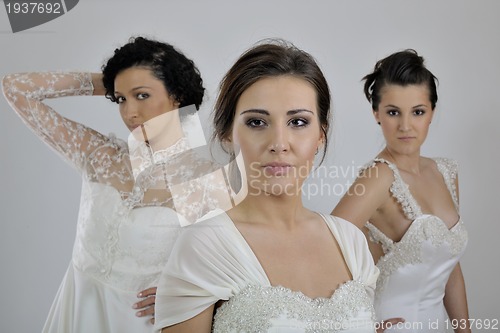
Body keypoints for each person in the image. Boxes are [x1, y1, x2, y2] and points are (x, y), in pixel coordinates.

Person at [2, 36, 233, 333]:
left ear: (176, 95)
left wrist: (197, 295)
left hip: (141, 323)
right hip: (73, 314)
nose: (129, 112)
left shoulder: (208, 179)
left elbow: (239, 266)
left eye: (142, 96)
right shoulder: (99, 155)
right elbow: (15, 88)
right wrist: (109, 81)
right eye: (121, 99)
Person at [154, 40, 379, 333]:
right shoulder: (204, 246)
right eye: (257, 122)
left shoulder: (352, 244)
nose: (279, 144)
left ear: (321, 134)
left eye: (298, 122)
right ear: (226, 133)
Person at [332, 49, 470, 332]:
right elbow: (324, 249)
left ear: (432, 112)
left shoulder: (446, 172)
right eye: (393, 112)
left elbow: (450, 265)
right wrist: (359, 324)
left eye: (417, 112)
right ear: (376, 114)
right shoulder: (378, 177)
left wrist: (464, 330)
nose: (405, 126)